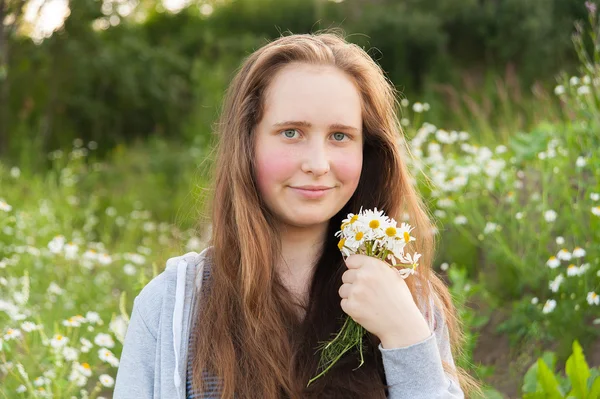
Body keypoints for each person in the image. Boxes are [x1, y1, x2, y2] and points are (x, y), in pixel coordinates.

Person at [113, 30, 482, 399]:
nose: (318, 164)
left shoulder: (407, 299)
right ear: (247, 143)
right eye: (291, 132)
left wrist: (407, 339)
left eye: (340, 136)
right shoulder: (172, 306)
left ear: (366, 151)